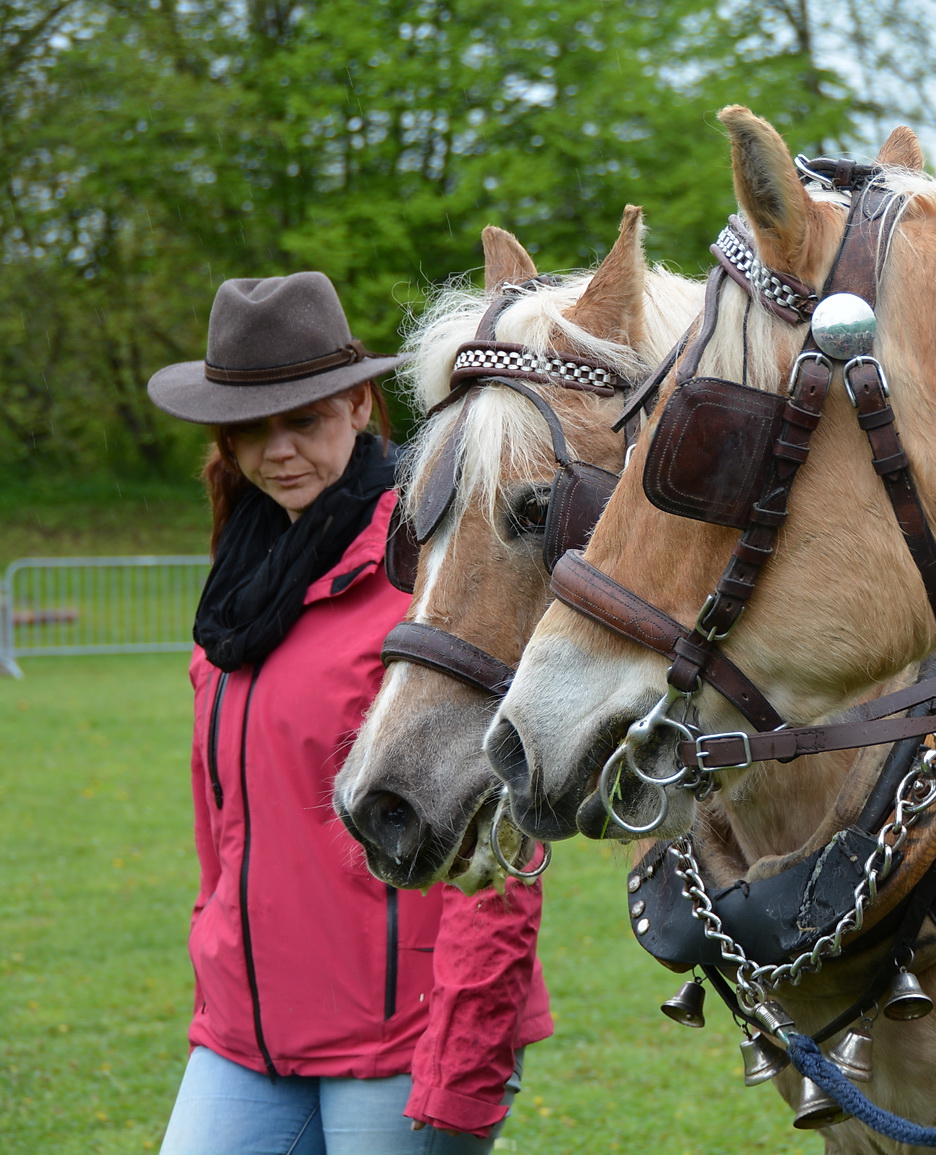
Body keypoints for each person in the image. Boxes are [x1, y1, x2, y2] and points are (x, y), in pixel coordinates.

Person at [147, 272, 551, 1154]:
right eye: (251, 427)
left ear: (361, 405)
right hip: (243, 1036)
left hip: (401, 1044)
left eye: (305, 419)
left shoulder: (428, 582)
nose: (278, 449)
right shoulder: (239, 585)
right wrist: (216, 965)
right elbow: (223, 822)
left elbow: (498, 849)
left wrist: (464, 1053)